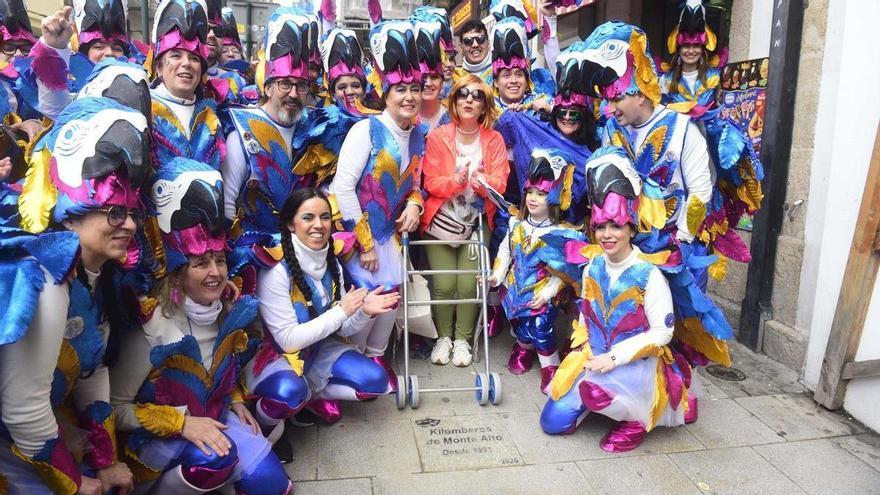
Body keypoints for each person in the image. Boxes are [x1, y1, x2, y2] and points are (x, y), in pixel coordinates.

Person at [110, 157, 293, 495]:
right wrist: (181, 423)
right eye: (200, 263)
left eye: (219, 260)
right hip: (160, 440)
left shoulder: (226, 310)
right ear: (179, 272)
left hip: (215, 419)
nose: (215, 273)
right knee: (214, 465)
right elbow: (114, 409)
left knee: (273, 485)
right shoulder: (153, 326)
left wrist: (236, 399)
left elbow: (218, 368)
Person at [0, 97, 149, 495]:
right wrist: (74, 482)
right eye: (114, 213)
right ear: (71, 211)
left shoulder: (94, 273)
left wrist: (107, 458)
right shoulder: (44, 280)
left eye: (132, 212)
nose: (130, 225)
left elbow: (91, 366)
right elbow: (22, 408)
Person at [541, 146, 696, 452]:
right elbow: (586, 314)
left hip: (635, 363)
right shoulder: (592, 267)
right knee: (553, 421)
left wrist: (614, 358)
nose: (607, 234)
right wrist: (583, 351)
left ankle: (634, 421)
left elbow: (662, 333)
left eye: (616, 225)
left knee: (601, 395)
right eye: (600, 226)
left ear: (631, 227)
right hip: (595, 358)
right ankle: (594, 396)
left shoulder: (648, 274)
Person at [246, 188, 399, 431]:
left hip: (316, 349)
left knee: (375, 381)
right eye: (308, 217)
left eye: (325, 217)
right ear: (290, 224)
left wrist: (364, 312)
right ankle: (265, 425)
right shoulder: (276, 270)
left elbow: (343, 327)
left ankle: (309, 398)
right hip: (275, 356)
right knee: (289, 392)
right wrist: (341, 311)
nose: (319, 225)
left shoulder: (331, 261)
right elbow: (287, 341)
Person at [329, 19, 425, 391]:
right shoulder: (365, 130)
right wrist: (363, 242)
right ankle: (350, 363)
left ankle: (375, 358)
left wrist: (415, 204)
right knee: (365, 300)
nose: (408, 97)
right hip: (360, 237)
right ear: (385, 93)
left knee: (392, 297)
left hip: (391, 237)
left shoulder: (418, 133)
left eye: (414, 88)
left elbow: (414, 184)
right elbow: (343, 186)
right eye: (400, 89)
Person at [660, 0, 764, 280]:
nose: (691, 50)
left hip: (707, 151)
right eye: (686, 45)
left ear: (704, 46)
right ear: (678, 47)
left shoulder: (718, 77)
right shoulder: (665, 81)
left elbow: (728, 110)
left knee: (705, 209)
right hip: (677, 151)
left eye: (696, 45)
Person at [420, 75, 507, 366]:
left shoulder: (493, 139)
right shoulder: (437, 137)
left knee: (469, 285)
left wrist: (481, 182)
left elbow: (500, 184)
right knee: (444, 284)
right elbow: (431, 182)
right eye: (463, 94)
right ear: (454, 101)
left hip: (476, 222)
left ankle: (462, 340)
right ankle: (443, 337)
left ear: (484, 106)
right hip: (441, 220)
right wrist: (456, 181)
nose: (469, 100)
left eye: (477, 96)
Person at [489, 149, 584, 393]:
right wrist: (496, 276)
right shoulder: (515, 224)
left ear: (553, 197)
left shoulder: (561, 234)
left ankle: (549, 367)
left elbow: (562, 273)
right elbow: (505, 253)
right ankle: (522, 347)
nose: (532, 198)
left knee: (542, 328)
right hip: (514, 290)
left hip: (542, 292)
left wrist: (548, 294)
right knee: (521, 327)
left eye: (540, 194)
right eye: (530, 192)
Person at [222, 6, 313, 235]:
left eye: (300, 86)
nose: (293, 94)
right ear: (267, 87)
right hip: (254, 254)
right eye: (284, 84)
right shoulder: (242, 135)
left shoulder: (315, 131)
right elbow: (227, 203)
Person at [150, 0, 225, 171]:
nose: (186, 64)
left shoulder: (211, 118)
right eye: (176, 55)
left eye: (194, 58)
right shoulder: (143, 110)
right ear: (159, 67)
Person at [32, 2, 133, 121]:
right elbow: (56, 110)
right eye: (99, 47)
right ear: (84, 55)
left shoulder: (142, 91)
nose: (109, 53)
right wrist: (54, 48)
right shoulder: (76, 97)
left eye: (117, 49)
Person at [412, 7, 452, 131]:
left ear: (442, 79)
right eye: (424, 77)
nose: (428, 83)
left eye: (434, 77)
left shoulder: (454, 114)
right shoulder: (404, 116)